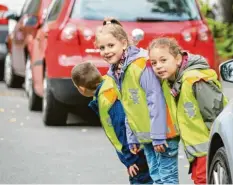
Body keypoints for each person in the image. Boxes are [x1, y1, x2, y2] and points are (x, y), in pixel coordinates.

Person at [94, 18, 180, 184]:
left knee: (167, 179)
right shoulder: (117, 72)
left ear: (124, 44)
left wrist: (158, 136)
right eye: (102, 48)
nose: (106, 51)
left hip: (163, 134)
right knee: (156, 177)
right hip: (146, 136)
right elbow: (129, 108)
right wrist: (132, 137)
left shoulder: (140, 65)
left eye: (111, 46)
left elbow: (156, 101)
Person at [148, 37, 228, 184]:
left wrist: (220, 147)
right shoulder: (170, 82)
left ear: (178, 59)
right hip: (197, 151)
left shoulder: (195, 79)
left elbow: (215, 115)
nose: (158, 66)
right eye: (154, 63)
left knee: (203, 180)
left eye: (163, 60)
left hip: (208, 147)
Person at [71, 62, 153, 184]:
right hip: (141, 145)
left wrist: (130, 160)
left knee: (141, 181)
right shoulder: (109, 83)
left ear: (81, 89)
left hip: (136, 151)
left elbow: (122, 128)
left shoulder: (107, 100)